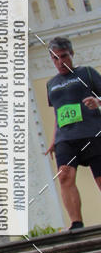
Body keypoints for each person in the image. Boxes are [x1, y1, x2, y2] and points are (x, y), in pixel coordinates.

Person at [44, 36, 101, 230]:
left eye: (64, 56)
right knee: (64, 176)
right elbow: (58, 112)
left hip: (93, 133)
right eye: (55, 58)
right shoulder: (51, 84)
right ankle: (76, 223)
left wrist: (97, 102)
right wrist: (53, 140)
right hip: (66, 138)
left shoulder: (87, 73)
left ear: (71, 54)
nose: (60, 62)